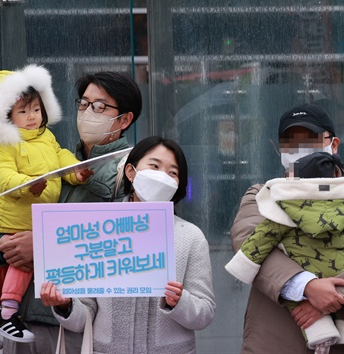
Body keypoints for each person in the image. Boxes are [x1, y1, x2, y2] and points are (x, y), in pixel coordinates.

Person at [0, 71, 142, 353]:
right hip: (21, 317)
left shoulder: (132, 173)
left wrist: (45, 247)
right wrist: (0, 244)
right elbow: (3, 211)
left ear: (125, 119)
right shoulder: (55, 159)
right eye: (83, 103)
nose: (87, 112)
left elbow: (128, 246)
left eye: (100, 106)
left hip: (79, 322)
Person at [230, 104, 344, 353]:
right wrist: (306, 286)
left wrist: (333, 299)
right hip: (274, 341)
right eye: (290, 142)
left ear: (334, 144)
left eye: (310, 139)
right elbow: (247, 242)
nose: (300, 149)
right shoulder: (262, 196)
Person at [40, 136, 216, 353]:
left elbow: (205, 313)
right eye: (154, 166)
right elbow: (83, 317)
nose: (162, 177)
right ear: (131, 172)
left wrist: (179, 301)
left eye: (172, 172)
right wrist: (65, 304)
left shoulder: (190, 237)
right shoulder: (99, 230)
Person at [0, 65, 91, 349]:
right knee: (23, 261)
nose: (32, 117)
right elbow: (1, 174)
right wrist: (28, 184)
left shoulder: (46, 137)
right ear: (5, 116)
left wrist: (77, 172)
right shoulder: (0, 143)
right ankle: (7, 314)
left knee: (6, 265)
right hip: (10, 216)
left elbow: (61, 159)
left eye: (36, 109)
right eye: (23, 111)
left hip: (30, 217)